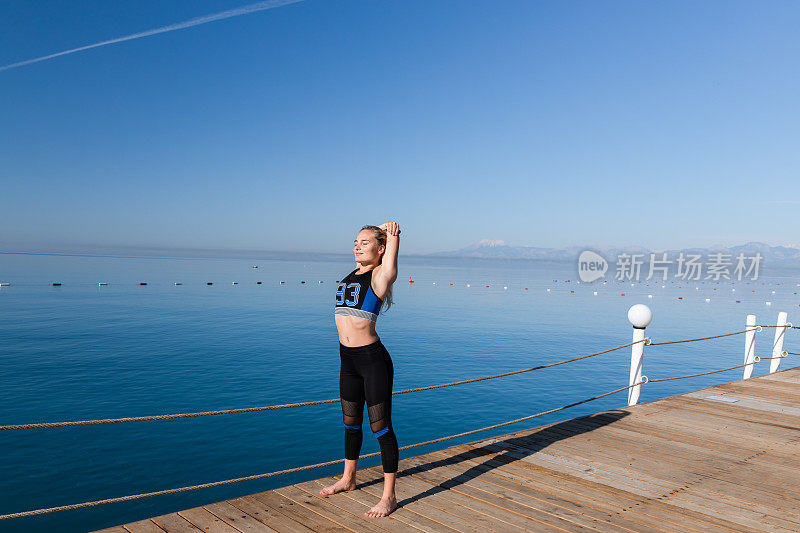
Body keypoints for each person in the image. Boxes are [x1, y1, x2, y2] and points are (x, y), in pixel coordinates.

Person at [319, 222, 401, 518]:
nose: (357, 246)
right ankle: (348, 478)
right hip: (347, 361)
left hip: (372, 361)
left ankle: (389, 496)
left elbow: (390, 259)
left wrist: (392, 235)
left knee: (381, 427)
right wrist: (370, 234)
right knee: (350, 423)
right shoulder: (351, 274)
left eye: (365, 243)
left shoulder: (381, 277)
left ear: (380, 250)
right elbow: (367, 249)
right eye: (355, 241)